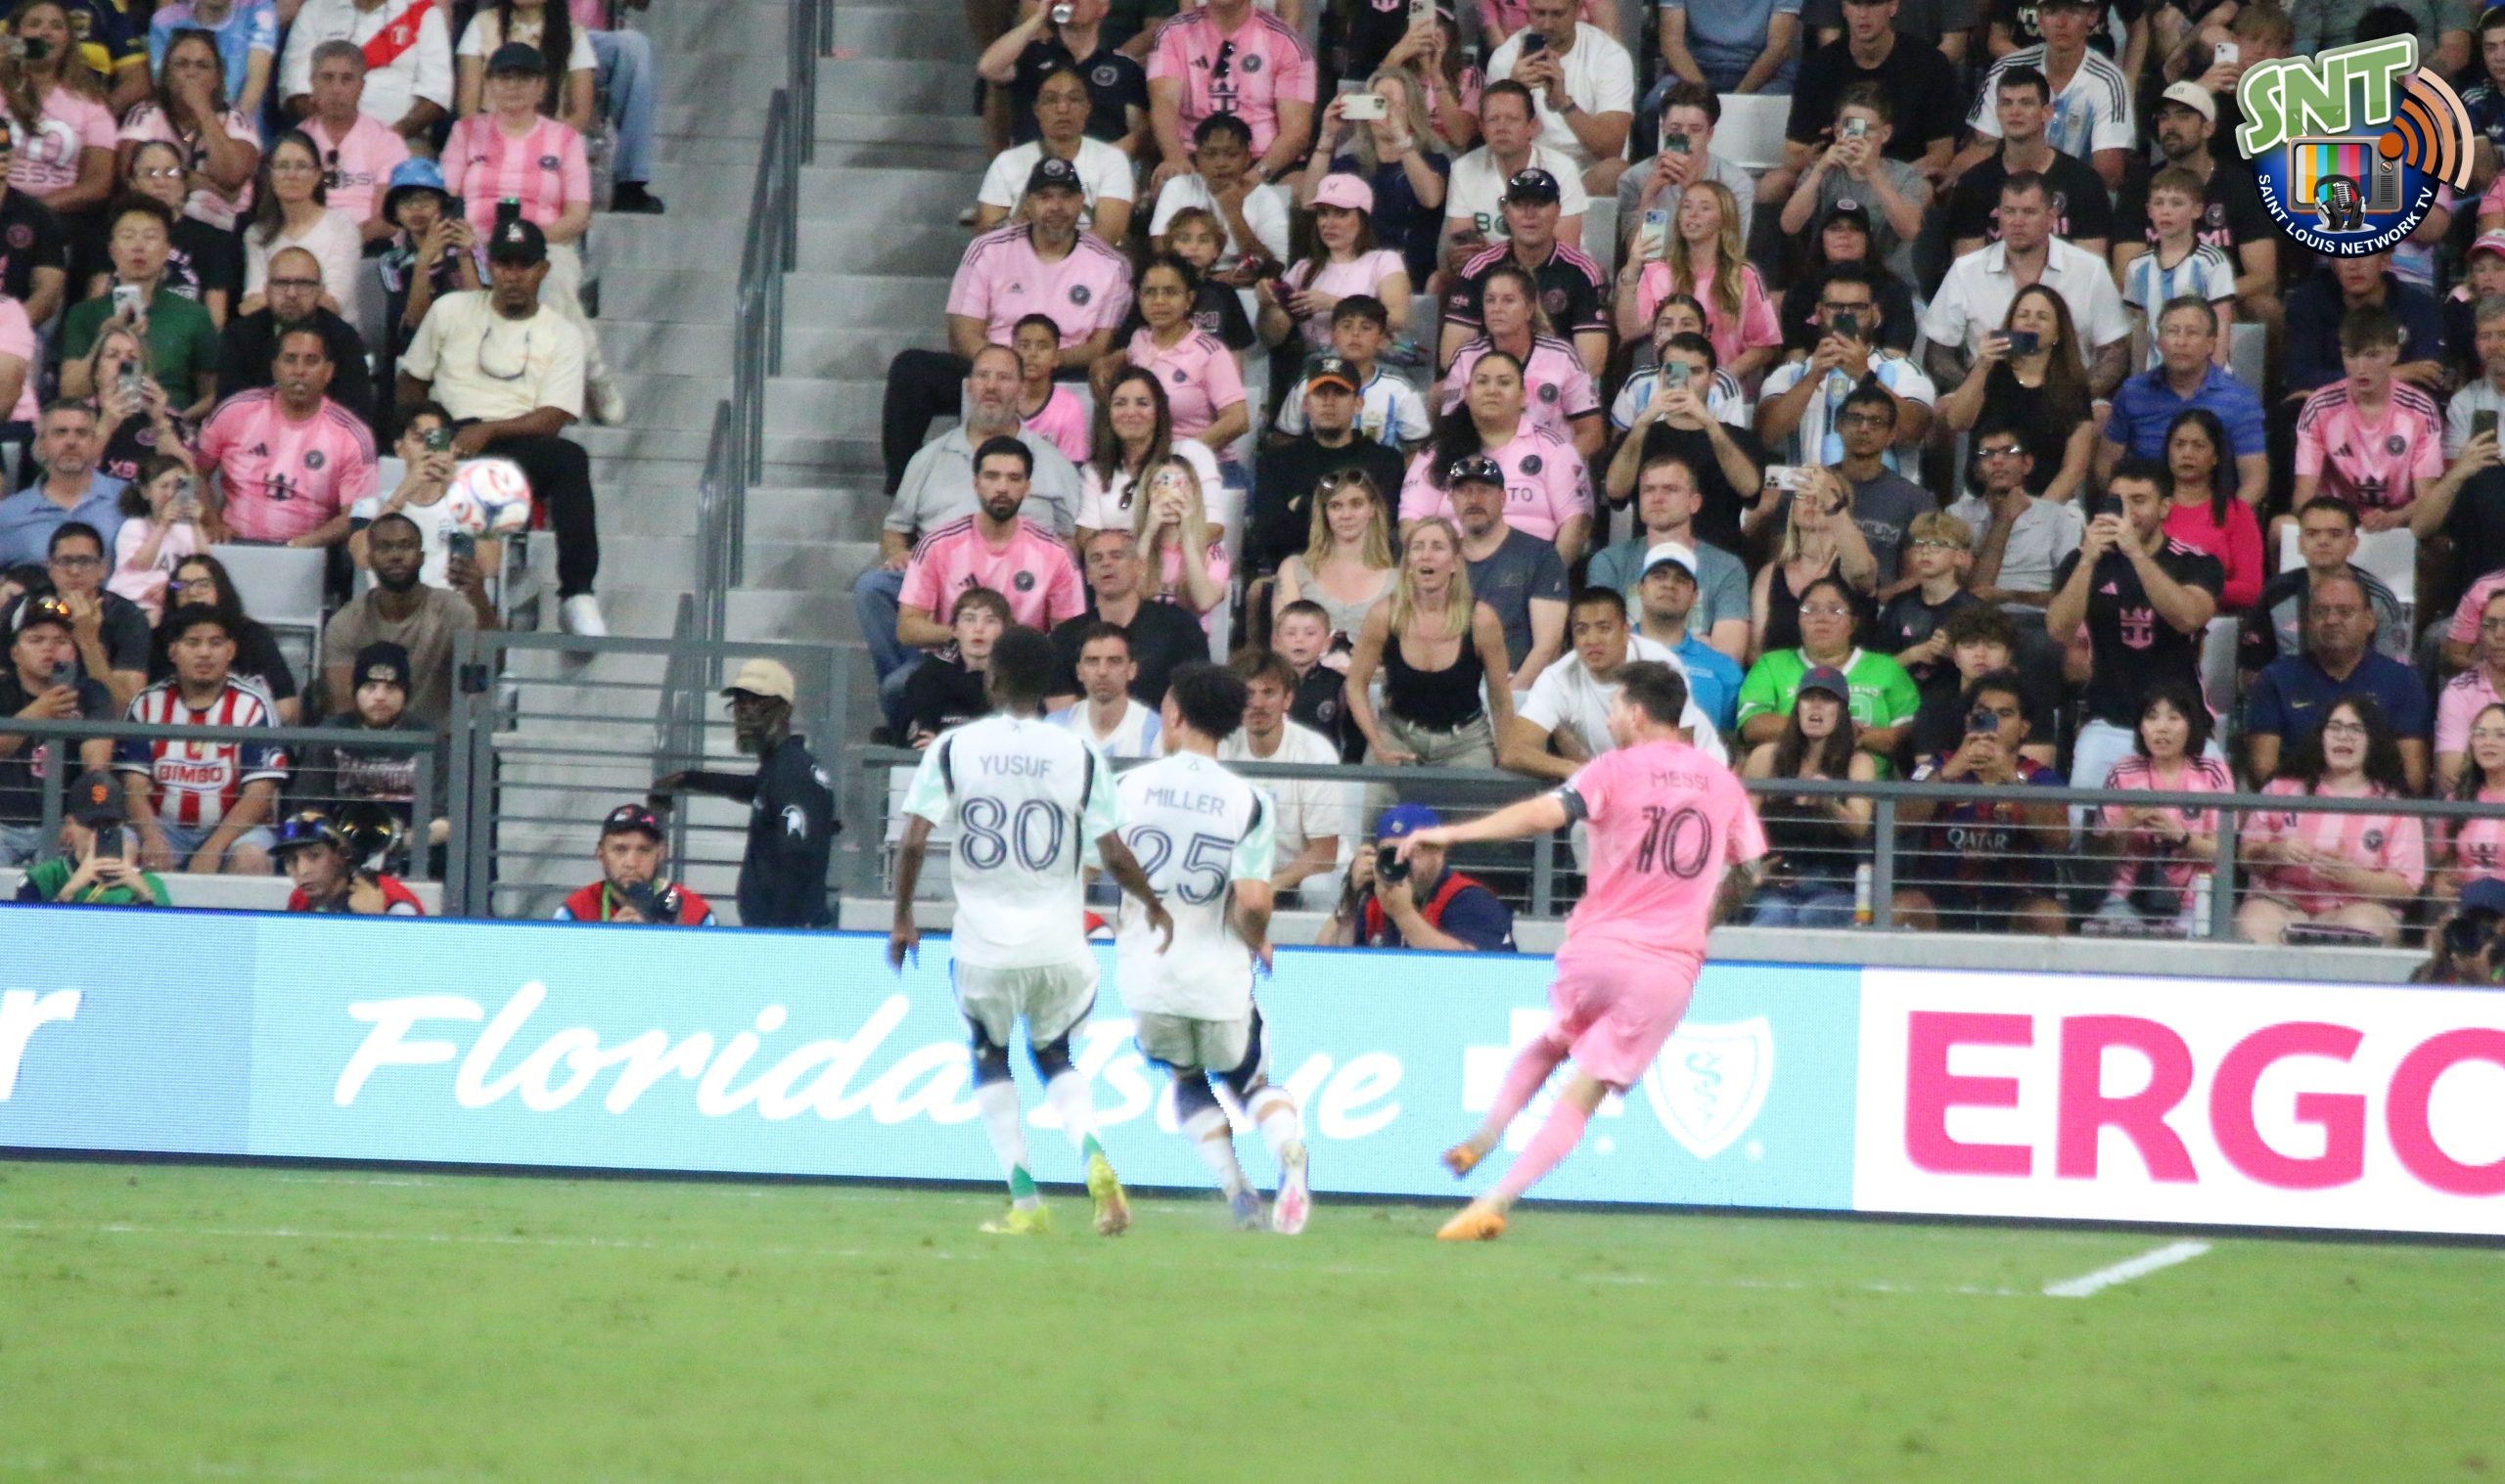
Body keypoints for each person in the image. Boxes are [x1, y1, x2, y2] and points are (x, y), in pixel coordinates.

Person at [1410, 662, 1762, 1239]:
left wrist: (1453, 833)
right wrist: (1702, 920)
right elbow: (1749, 869)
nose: (1610, 717)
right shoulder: (1721, 781)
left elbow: (1542, 814)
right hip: (1667, 967)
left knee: (1553, 1042)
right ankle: (1496, 1199)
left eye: (1614, 707)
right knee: (1584, 1092)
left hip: (1598, 950)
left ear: (1637, 714)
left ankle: (1485, 1135)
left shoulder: (1613, 768)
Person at [889, 626, 1166, 1237]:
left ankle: (1026, 1200)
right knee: (1055, 1054)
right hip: (1060, 944)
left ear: (991, 678)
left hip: (984, 946)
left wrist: (903, 915)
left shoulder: (954, 749)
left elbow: (912, 841)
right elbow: (1115, 853)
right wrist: (1153, 904)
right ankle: (1093, 1155)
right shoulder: (1079, 753)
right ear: (1049, 685)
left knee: (990, 1055)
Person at [1113, 660, 1310, 1233]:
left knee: (1186, 1079)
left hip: (1148, 977)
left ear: (1173, 714)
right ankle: (1288, 1151)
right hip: (1218, 978)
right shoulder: (1248, 801)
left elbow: (1089, 864)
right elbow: (1252, 899)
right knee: (1251, 1083)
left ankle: (1235, 1188)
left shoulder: (1127, 788)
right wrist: (1257, 937)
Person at [396, 217, 607, 635]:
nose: (513, 275)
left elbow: (555, 415)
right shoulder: (451, 309)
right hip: (446, 435)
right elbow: (411, 381)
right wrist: (424, 432)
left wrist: (490, 431)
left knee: (569, 458)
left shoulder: (561, 333)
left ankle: (577, 594)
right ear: (490, 265)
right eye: (504, 264)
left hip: (513, 444)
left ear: (542, 270)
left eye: (524, 265)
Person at [882, 156, 1131, 495]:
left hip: (1064, 369)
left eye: (1065, 197)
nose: (1056, 206)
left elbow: (1099, 346)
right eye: (1045, 196)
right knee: (912, 369)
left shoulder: (1110, 264)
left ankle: (1098, 498)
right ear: (1027, 203)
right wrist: (1006, 367)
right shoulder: (987, 249)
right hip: (996, 362)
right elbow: (965, 334)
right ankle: (902, 492)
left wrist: (1048, 360)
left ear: (1081, 202)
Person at [864, 346, 1083, 692]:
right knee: (873, 587)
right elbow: (895, 529)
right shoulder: (928, 458)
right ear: (968, 387)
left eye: (1003, 377)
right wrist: (898, 553)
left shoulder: (1053, 463)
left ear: (1021, 389)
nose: (991, 386)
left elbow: (1073, 536)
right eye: (983, 376)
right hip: (941, 579)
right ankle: (915, 677)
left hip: (1022, 585)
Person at [440, 44, 616, 423]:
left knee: (550, 280)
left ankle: (565, 385)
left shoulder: (564, 139)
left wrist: (531, 243)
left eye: (524, 78)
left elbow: (578, 215)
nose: (513, 86)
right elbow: (447, 198)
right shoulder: (466, 132)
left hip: (546, 243)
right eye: (504, 77)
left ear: (541, 87)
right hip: (476, 244)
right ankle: (593, 372)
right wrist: (474, 242)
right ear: (488, 85)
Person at [2047, 459, 2224, 816]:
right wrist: (2087, 561)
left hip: (2182, 725)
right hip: (2108, 721)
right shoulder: (2082, 561)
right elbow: (2059, 630)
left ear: (2164, 507)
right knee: (2083, 825)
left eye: (2139, 501)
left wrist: (2136, 554)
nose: (2127, 512)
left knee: (2211, 824)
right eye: (2118, 501)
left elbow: (2188, 618)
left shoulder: (2196, 562)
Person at [649, 658, 838, 930]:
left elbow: (798, 861)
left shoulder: (792, 773)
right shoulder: (781, 768)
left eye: (757, 702)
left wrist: (776, 937)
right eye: (739, 703)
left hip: (786, 936)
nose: (745, 712)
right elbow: (755, 789)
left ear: (784, 710)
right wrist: (686, 779)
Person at [895, 438, 1087, 702]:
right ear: (976, 483)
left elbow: (1070, 635)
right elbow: (907, 627)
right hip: (952, 663)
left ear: (1027, 487)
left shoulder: (1056, 554)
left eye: (1014, 478)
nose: (1002, 487)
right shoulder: (937, 545)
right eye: (992, 476)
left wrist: (1012, 644)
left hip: (1025, 670)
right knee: (896, 688)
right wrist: (965, 634)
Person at [1922, 174, 2131, 403]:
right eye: (2009, 211)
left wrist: (2074, 399)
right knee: (1945, 409)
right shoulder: (1966, 270)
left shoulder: (2090, 269)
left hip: (2070, 395)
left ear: (2051, 217)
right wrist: (1976, 394)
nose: (2017, 222)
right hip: (1987, 395)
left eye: (2029, 212)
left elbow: (2115, 353)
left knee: (2102, 414)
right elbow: (1938, 354)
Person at [1890, 669, 2069, 934]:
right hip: (1940, 896)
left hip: (2015, 900)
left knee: (2046, 917)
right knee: (1902, 907)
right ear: (1968, 721)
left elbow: (2060, 838)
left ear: (2024, 728)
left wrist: (2011, 778)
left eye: (2005, 714)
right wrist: (1948, 774)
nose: (1993, 722)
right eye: (1984, 713)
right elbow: (1897, 820)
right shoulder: (1938, 766)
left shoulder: (2039, 776)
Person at [2238, 695, 2425, 947]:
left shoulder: (2395, 805)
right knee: (2254, 924)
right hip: (2281, 905)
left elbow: (2407, 887)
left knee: (2364, 926)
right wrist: (2276, 852)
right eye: (2335, 727)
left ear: (2373, 741)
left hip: (2356, 909)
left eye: (2356, 729)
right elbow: (2246, 856)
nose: (2343, 736)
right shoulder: (2282, 788)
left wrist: (2353, 877)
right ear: (2320, 736)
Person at [114, 603, 284, 875]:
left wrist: (213, 848)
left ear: (231, 650)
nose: (204, 653)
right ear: (173, 651)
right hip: (161, 827)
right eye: (193, 643)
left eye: (215, 643)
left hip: (234, 830)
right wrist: (151, 837)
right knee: (118, 848)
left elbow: (259, 792)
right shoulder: (147, 704)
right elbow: (133, 787)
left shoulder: (253, 706)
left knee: (251, 858)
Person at [1503, 585, 1726, 779]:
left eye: (1604, 628)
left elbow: (1681, 747)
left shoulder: (1659, 663)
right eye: (1581, 630)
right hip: (1618, 778)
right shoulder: (1558, 678)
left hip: (1697, 770)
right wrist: (1580, 771)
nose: (1592, 640)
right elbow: (1513, 751)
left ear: (1625, 632)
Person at [1344, 516, 1516, 767]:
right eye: (1418, 547)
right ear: (1408, 563)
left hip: (1466, 742)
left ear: (1455, 562)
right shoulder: (1384, 615)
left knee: (1480, 790)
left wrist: (1508, 756)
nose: (1426, 556)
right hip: (1397, 736)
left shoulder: (1482, 620)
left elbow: (1500, 698)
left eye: (1437, 547)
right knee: (1378, 788)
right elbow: (1355, 684)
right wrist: (1377, 743)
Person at [2110, 80, 2277, 334]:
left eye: (2183, 116)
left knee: (2264, 307)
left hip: (2221, 299)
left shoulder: (2240, 186)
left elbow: (2264, 277)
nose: (2170, 125)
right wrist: (2171, 296)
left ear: (2208, 128)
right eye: (2164, 117)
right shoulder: (2138, 187)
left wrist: (2205, 295)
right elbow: (2125, 276)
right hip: (2154, 299)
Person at [195, 327, 376, 550]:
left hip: (307, 551)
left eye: (311, 361)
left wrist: (302, 545)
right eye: (290, 360)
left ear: (328, 372)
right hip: (231, 544)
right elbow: (193, 471)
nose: (299, 371)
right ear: (275, 368)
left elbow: (358, 516)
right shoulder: (235, 411)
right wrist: (212, 523)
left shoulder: (351, 435)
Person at [2243, 572, 2428, 788]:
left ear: (2370, 620)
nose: (2331, 620)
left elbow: (2413, 777)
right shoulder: (2276, 678)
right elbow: (2263, 770)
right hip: (2298, 802)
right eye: (2320, 612)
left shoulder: (2402, 681)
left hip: (2377, 804)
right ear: (2307, 622)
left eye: (2345, 611)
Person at [2292, 305, 2464, 535]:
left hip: (2400, 525)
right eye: (2351, 356)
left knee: (2436, 541)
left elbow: (2427, 499)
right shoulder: (2319, 407)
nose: (2361, 369)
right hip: (2334, 525)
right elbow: (2303, 499)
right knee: (2279, 528)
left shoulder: (2420, 409)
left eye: (2372, 355)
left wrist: (2395, 518)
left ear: (2394, 353)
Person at [1398, 354, 1589, 562]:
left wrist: (1548, 574)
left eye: (1504, 383)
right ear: (1467, 394)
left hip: (1531, 571)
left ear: (1523, 396)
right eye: (1482, 382)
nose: (1492, 390)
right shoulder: (1436, 451)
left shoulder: (1554, 448)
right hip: (1452, 572)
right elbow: (1411, 520)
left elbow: (1575, 521)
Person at [1755, 270, 1934, 478]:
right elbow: (1767, 436)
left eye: (1857, 307)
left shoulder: (1903, 370)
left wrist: (1865, 375)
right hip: (1807, 490)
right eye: (1835, 307)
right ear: (1819, 313)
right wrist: (1812, 377)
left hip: (1883, 493)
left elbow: (1914, 432)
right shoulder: (1790, 372)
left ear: (1875, 313)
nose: (1846, 314)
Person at [1935, 283, 2100, 503]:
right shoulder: (1990, 372)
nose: (2031, 322)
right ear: (2011, 324)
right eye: (2023, 315)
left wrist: (2038, 515)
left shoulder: (2073, 385)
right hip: (1983, 501)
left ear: (2058, 332)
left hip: (2048, 504)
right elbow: (1957, 421)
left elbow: (2074, 468)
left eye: (2042, 317)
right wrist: (1982, 366)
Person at [59, 198, 221, 420]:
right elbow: (69, 392)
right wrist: (104, 339)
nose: (138, 246)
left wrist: (177, 422)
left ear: (167, 250)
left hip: (170, 423)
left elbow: (211, 394)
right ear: (112, 250)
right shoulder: (85, 314)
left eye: (150, 237)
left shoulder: (194, 314)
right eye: (128, 236)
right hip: (101, 422)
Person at [1603, 332, 1766, 553]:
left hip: (1719, 557)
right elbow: (1615, 491)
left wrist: (1709, 424)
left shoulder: (1738, 438)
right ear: (1661, 376)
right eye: (1676, 371)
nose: (1686, 381)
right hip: (1653, 557)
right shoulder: (1639, 435)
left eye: (1696, 372)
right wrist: (1642, 423)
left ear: (1712, 379)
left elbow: (1749, 489)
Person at [1441, 164, 1608, 379]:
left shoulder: (1583, 273)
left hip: (1557, 387)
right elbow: (1451, 356)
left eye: (1540, 204)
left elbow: (1591, 365)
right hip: (1490, 383)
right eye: (1520, 205)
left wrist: (1534, 387)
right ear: (1506, 212)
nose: (1530, 214)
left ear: (1557, 211)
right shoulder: (1479, 268)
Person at [321, 513, 489, 727]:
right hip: (367, 740)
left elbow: (491, 662)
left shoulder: (453, 609)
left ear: (421, 557)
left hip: (439, 741)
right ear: (370, 560)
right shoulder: (345, 622)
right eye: (384, 547)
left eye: (406, 546)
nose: (396, 555)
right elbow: (343, 705)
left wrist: (479, 597)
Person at [2090, 678, 2232, 930]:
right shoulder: (2122, 771)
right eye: (2152, 717)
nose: (2162, 728)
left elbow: (2224, 852)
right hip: (2126, 898)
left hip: (2197, 901)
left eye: (2173, 718)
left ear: (2191, 725)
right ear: (2140, 727)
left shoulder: (2212, 772)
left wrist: (2178, 835)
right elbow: (2100, 856)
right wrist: (2126, 823)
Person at [1250, 356, 1407, 578]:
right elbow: (1270, 535)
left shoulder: (1386, 462)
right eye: (1320, 393)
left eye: (1340, 393)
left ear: (1358, 404)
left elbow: (1380, 530)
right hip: (1297, 575)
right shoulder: (1277, 462)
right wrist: (1349, 516)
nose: (1328, 402)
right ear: (1305, 404)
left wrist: (1304, 505)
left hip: (1366, 575)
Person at [2097, 297, 2267, 502]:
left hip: (2213, 510)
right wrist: (2126, 507)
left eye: (2192, 333)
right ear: (2159, 342)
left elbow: (2255, 480)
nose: (2181, 342)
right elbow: (2106, 465)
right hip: (2145, 509)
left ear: (2211, 343)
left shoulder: (2239, 400)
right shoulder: (2133, 392)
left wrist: (2228, 518)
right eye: (2172, 332)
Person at [1778, 0, 1962, 189]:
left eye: (1873, 4)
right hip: (1836, 175)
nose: (1863, 14)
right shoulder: (1818, 66)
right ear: (1844, 8)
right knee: (1774, 184)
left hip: (1902, 180)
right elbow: (1793, 155)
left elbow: (1941, 153)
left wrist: (1888, 179)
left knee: (1925, 188)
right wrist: (1828, 160)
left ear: (1893, 6)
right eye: (1855, 3)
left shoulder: (1929, 64)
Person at [1742, 668, 1875, 926]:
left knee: (1812, 915)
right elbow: (1744, 826)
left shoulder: (1858, 762)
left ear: (1841, 711)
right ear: (1797, 708)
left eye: (1827, 699)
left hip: (1831, 883)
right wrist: (1756, 871)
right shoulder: (1767, 756)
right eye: (1808, 698)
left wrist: (1829, 803)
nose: (1816, 706)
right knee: (1774, 914)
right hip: (1775, 880)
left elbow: (1859, 825)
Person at [1222, 649, 1353, 909]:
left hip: (1310, 875)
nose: (1258, 704)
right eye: (1248, 694)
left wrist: (1270, 886)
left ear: (1287, 699)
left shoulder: (1315, 753)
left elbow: (1324, 854)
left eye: (1269, 693)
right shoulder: (1222, 747)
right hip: (1246, 878)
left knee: (1317, 886)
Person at [1587, 453, 1749, 662]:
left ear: (1694, 503)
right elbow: (1599, 643)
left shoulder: (1726, 567)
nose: (1657, 498)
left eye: (1670, 489)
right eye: (1648, 490)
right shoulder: (1609, 561)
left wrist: (1634, 642)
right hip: (1626, 675)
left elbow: (1728, 656)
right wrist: (1696, 644)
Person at [1957, 0, 2134, 189]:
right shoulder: (2005, 69)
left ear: (2092, 16)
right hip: (2012, 193)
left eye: (2073, 11)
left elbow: (2108, 173)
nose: (2061, 22)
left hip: (2079, 194)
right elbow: (1981, 149)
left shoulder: (2109, 81)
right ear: (2040, 18)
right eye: (2052, 11)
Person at [1736, 571, 1917, 756]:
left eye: (1835, 610)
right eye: (1810, 610)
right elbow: (1752, 726)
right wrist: (1830, 727)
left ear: (1853, 623)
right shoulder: (1772, 665)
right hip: (1792, 770)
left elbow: (1908, 736)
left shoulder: (1886, 668)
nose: (1821, 618)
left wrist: (1854, 735)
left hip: (1867, 771)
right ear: (1798, 620)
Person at [1942, 65, 2112, 260]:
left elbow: (2091, 268)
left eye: (2026, 103)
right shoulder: (1973, 185)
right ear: (1997, 112)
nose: (2015, 111)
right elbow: (1967, 269)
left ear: (2046, 112)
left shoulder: (2084, 182)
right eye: (2006, 103)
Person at [1435, 264, 1601, 463]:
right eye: (1490, 300)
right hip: (1484, 469)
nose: (1497, 308)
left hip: (1550, 466)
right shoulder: (1465, 358)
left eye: (1508, 300)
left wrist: (1554, 466)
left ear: (1529, 310)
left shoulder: (1561, 357)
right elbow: (1450, 433)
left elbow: (1592, 434)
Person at [1144, 0, 1316, 191]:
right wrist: (1176, 158)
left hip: (1264, 160)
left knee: (1299, 190)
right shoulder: (1173, 32)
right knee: (1166, 185)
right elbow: (1164, 103)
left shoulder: (1286, 40)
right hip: (1194, 156)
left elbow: (1296, 131)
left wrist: (1254, 177)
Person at [296, 639, 445, 853]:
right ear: (354, 690)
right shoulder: (329, 734)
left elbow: (445, 817)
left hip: (413, 850)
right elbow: (308, 806)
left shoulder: (429, 738)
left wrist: (397, 843)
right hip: (339, 849)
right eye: (370, 687)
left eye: (391, 688)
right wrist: (337, 843)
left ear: (406, 693)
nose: (380, 697)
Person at [1620, 180, 1777, 383]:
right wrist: (1633, 267)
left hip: (1721, 386)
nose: (1692, 214)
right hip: (1670, 385)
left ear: (1724, 219)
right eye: (1686, 206)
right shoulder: (1658, 272)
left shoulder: (1744, 275)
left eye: (1705, 208)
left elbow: (1765, 345)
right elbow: (1629, 330)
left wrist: (1718, 380)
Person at [1307, 64, 1449, 285]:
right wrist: (1327, 136)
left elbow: (1430, 198)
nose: (1382, 110)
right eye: (1376, 101)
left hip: (1409, 273)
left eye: (1388, 102)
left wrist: (1400, 136)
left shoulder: (1432, 161)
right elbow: (1309, 201)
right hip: (1355, 272)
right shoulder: (1350, 165)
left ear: (1410, 109)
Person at [2241, 496, 2410, 677]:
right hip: (2290, 690)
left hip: (2361, 690)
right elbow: (2252, 670)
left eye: (2335, 534)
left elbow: (2394, 673)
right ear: (2300, 543)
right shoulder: (2275, 593)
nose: (2323, 541)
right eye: (2312, 533)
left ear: (2352, 544)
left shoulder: (2379, 599)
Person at [0, 593, 113, 865]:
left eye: (61, 641)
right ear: (15, 652)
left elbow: (97, 767)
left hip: (64, 825)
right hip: (3, 826)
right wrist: (38, 711)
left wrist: (82, 817)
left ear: (73, 650)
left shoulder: (91, 693)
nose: (49, 648)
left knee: (104, 841)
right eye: (36, 640)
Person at [1438, 455, 1570, 689]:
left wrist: (1506, 699)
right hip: (1451, 689)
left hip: (1518, 686)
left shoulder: (1540, 555)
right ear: (1451, 498)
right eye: (1464, 491)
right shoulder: (1441, 559)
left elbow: (1548, 646)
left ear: (1503, 497)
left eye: (1484, 490)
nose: (1474, 499)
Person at [1320, 800, 1520, 953]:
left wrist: (1403, 915)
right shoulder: (1377, 899)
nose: (1399, 861)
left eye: (1410, 851)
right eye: (1390, 853)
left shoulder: (1471, 899)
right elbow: (1323, 961)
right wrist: (1351, 898)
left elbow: (1467, 968)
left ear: (1439, 852)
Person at [116, 28, 258, 237]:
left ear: (217, 77)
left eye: (202, 66)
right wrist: (199, 182)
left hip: (225, 232)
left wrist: (202, 109)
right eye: (181, 64)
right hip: (157, 226)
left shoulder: (235, 118)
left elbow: (232, 177)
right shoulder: (146, 113)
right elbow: (130, 175)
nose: (191, 73)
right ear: (166, 74)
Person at [1048, 527, 1207, 709]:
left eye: (1116, 556)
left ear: (1139, 567)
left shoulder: (1180, 627)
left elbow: (1197, 699)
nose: (1106, 563)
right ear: (1088, 575)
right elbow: (1060, 713)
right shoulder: (1065, 636)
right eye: (1096, 558)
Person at [1481, 0, 1633, 189]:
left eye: (1557, 14)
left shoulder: (1609, 55)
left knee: (1614, 171)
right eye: (1540, 13)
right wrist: (1515, 91)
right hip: (1524, 170)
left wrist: (1563, 103)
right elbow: (1496, 141)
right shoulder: (1505, 57)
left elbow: (1611, 149)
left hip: (1584, 174)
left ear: (1577, 10)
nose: (1547, 24)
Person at [1946, 422, 2081, 632]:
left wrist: (2010, 596)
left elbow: (2071, 596)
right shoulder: (1957, 515)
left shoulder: (2057, 517)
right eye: (1987, 454)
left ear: (2027, 464)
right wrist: (2004, 520)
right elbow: (1974, 594)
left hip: (2037, 620)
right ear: (1977, 470)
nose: (1997, 461)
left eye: (2009, 452)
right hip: (1976, 620)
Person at [347, 403, 499, 590]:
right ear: (400, 448)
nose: (428, 449)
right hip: (391, 603)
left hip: (450, 603)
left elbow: (490, 566)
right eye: (419, 439)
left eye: (436, 440)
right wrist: (401, 495)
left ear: (451, 448)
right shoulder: (370, 502)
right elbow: (362, 558)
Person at [216, 244, 376, 421]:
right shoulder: (239, 336)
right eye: (281, 283)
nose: (291, 293)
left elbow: (356, 413)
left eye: (303, 284)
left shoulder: (344, 339)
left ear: (320, 291)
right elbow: (228, 410)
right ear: (266, 290)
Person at [976, 67, 1135, 242]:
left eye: (1074, 99)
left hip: (1089, 258)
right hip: (1019, 256)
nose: (1063, 108)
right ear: (1036, 109)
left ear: (1088, 107)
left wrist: (1057, 252)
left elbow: (1108, 235)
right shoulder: (1007, 162)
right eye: (1051, 100)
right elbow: (989, 235)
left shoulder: (1112, 159)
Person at [975, 0, 1148, 159]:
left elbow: (1140, 133)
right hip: (1034, 168)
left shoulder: (1124, 67)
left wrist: (1101, 161)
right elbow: (988, 68)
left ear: (1103, 7)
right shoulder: (1032, 55)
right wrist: (1038, 18)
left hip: (1099, 170)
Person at [1260, 172, 1410, 356]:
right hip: (1316, 364)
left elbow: (1397, 319)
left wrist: (1333, 304)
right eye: (1323, 214)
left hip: (1370, 361)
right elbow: (1271, 338)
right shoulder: (1303, 269)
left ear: (1362, 219)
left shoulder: (1384, 260)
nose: (1328, 224)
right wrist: (1267, 305)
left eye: (1341, 214)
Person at [1115, 251, 1248, 457]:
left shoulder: (1211, 352)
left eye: (1171, 292)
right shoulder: (1138, 341)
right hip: (1146, 464)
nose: (1159, 301)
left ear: (1189, 299)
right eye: (1150, 292)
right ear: (1139, 298)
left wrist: (1179, 456)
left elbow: (1238, 420)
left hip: (1202, 465)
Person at [1073, 362, 1218, 548]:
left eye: (1142, 403)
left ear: (1159, 411)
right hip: (1120, 565)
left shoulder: (1191, 453)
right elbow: (1086, 540)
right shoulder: (1095, 470)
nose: (1130, 412)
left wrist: (1154, 546)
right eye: (1120, 404)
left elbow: (1214, 528)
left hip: (1182, 560)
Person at [0, 1, 116, 222]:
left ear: (68, 40)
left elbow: (98, 183)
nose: (46, 32)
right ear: (15, 35)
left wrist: (33, 214)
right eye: (34, 24)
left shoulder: (92, 103)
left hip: (56, 220)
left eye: (57, 26)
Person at [148, 550, 296, 722]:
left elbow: (287, 706)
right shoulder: (158, 639)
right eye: (181, 585)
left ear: (220, 588)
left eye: (202, 584)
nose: (192, 592)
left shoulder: (254, 635)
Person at [2282, 252, 2447, 405]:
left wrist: (2331, 390)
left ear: (2385, 260)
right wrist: (2391, 374)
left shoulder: (2420, 307)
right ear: (2332, 262)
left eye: (2365, 254)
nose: (2354, 265)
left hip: (2400, 416)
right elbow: (2301, 379)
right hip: (2327, 417)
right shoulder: (2307, 304)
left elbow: (2427, 377)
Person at [279, 0, 453, 145]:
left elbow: (436, 95)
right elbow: (295, 89)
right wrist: (333, 134)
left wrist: (391, 137)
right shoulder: (315, 9)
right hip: (322, 141)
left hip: (404, 140)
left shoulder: (423, 13)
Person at [1615, 81, 1753, 264]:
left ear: (1709, 134)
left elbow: (1731, 256)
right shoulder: (1634, 179)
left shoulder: (1735, 182)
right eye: (1675, 129)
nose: (1684, 138)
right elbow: (1643, 261)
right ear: (1663, 129)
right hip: (1655, 277)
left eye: (1695, 129)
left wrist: (1693, 193)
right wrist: (1649, 198)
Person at [1442, 82, 1590, 253]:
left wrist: (1490, 254)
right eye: (1493, 119)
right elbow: (1463, 245)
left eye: (1512, 119)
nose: (1502, 128)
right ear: (1481, 128)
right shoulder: (1463, 168)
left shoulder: (1561, 169)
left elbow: (1564, 250)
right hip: (1485, 267)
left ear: (1532, 126)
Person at [1269, 295, 1430, 451]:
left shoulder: (1400, 391)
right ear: (1333, 336)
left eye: (1366, 327)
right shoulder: (1308, 385)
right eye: (1346, 326)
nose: (1355, 334)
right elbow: (1283, 443)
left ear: (1381, 338)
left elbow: (1418, 451)